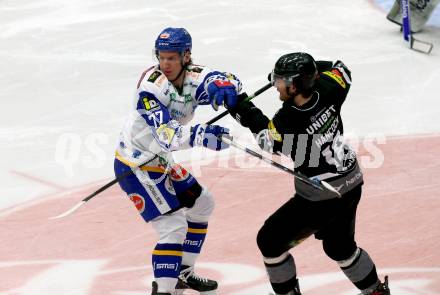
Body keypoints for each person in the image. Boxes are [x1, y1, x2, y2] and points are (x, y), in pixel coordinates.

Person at [226, 52, 390, 295]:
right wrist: (312, 72)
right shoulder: (329, 87)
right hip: (351, 181)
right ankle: (376, 292)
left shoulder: (289, 120)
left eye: (280, 82)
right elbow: (341, 68)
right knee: (340, 247)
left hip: (321, 197)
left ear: (295, 86)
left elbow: (266, 140)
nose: (275, 85)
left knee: (269, 241)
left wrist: (239, 106)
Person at [114, 27, 242, 295]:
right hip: (136, 164)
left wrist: (224, 84)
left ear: (186, 56)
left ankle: (182, 273)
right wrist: (201, 135)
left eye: (172, 58)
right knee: (172, 228)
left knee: (203, 204)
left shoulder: (194, 76)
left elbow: (226, 80)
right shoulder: (150, 86)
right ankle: (164, 291)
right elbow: (167, 135)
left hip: (159, 161)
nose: (165, 64)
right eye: (161, 57)